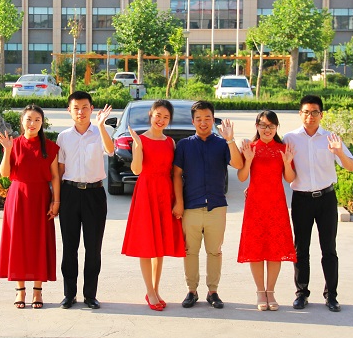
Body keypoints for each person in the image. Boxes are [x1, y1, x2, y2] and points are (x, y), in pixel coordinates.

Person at [283, 95, 353, 313]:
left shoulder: (331, 138)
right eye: (306, 112)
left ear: (321, 115)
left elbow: (350, 166)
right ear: (300, 114)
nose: (310, 116)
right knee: (300, 248)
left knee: (329, 249)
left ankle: (331, 295)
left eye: (315, 112)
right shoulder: (290, 138)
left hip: (326, 199)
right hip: (301, 199)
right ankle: (301, 293)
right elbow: (284, 171)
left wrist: (339, 152)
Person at [172, 100, 244, 309]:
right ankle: (191, 291)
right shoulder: (184, 145)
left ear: (213, 120)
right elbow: (176, 175)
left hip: (216, 206)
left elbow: (238, 164)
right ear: (193, 121)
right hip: (191, 207)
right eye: (199, 119)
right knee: (190, 251)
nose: (203, 123)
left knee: (214, 251)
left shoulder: (222, 144)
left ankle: (213, 291)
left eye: (207, 118)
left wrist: (230, 140)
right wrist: (179, 202)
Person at [122, 100, 185, 311]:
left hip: (165, 193)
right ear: (151, 114)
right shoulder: (140, 140)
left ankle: (156, 290)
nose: (161, 120)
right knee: (147, 244)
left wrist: (177, 201)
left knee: (160, 246)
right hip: (146, 193)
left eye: (166, 117)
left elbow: (174, 173)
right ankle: (149, 291)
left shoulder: (170, 142)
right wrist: (138, 147)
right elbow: (137, 170)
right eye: (158, 115)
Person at [0, 104, 60, 309]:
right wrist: (7, 150)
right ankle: (20, 290)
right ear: (22, 122)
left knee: (39, 242)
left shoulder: (50, 147)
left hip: (41, 197)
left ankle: (37, 291)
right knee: (18, 242)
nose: (32, 123)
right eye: (29, 119)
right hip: (18, 198)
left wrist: (56, 201)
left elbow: (55, 176)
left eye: (37, 120)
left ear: (42, 123)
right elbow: (5, 173)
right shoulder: (13, 144)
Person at [56, 91, 113, 310]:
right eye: (76, 108)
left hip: (94, 195)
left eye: (85, 107)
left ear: (92, 109)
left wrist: (101, 126)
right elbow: (60, 170)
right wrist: (56, 200)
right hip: (70, 193)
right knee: (69, 247)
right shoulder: (63, 137)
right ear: (69, 111)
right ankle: (69, 294)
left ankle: (90, 295)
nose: (81, 112)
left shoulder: (101, 131)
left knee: (93, 248)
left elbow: (110, 150)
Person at [237, 111, 297, 311]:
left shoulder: (283, 149)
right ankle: (260, 292)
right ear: (257, 126)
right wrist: (248, 160)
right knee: (256, 249)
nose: (267, 129)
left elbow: (290, 179)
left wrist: (287, 163)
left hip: (276, 205)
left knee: (275, 249)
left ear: (276, 127)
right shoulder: (250, 148)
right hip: (255, 205)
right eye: (263, 125)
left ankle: (270, 291)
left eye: (271, 126)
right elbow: (242, 178)